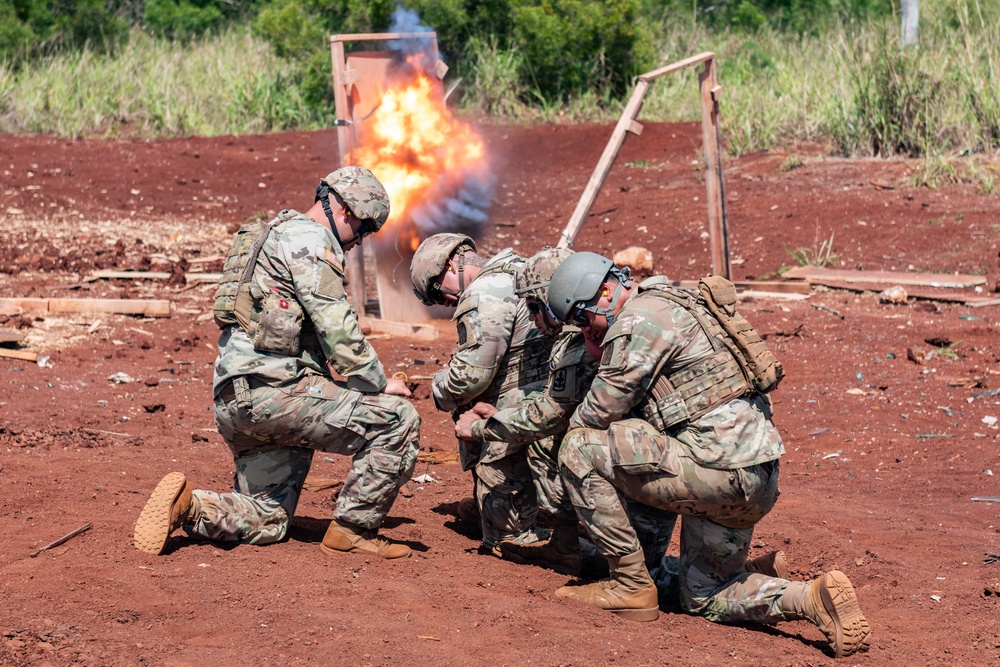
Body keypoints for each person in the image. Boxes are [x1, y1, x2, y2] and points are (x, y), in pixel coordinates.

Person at [544, 251, 871, 658]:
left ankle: (630, 586)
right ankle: (807, 597)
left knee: (579, 447)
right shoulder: (679, 301)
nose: (583, 330)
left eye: (582, 319)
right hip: (757, 476)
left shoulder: (635, 321)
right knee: (702, 597)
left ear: (605, 292)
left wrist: (593, 365)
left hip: (715, 470)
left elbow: (596, 415)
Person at [134, 167, 420, 560]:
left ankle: (192, 507)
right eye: (366, 228)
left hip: (237, 403)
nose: (361, 242)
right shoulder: (310, 240)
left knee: (270, 519)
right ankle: (353, 530)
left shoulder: (272, 235)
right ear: (347, 211)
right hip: (279, 395)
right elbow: (337, 328)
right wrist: (378, 382)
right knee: (397, 418)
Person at [455, 248, 788, 586]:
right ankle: (755, 584)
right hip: (751, 464)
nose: (533, 319)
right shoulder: (664, 300)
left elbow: (564, 417)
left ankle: (588, 558)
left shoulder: (610, 332)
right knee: (701, 596)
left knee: (570, 446)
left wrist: (482, 428)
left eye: (535, 307)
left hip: (710, 465)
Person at [410, 234, 554, 555]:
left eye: (437, 292)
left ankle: (605, 560)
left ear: (449, 265)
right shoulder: (519, 269)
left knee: (505, 543)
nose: (443, 303)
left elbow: (470, 377)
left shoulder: (483, 293)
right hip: (549, 405)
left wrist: (438, 385)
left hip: (515, 423)